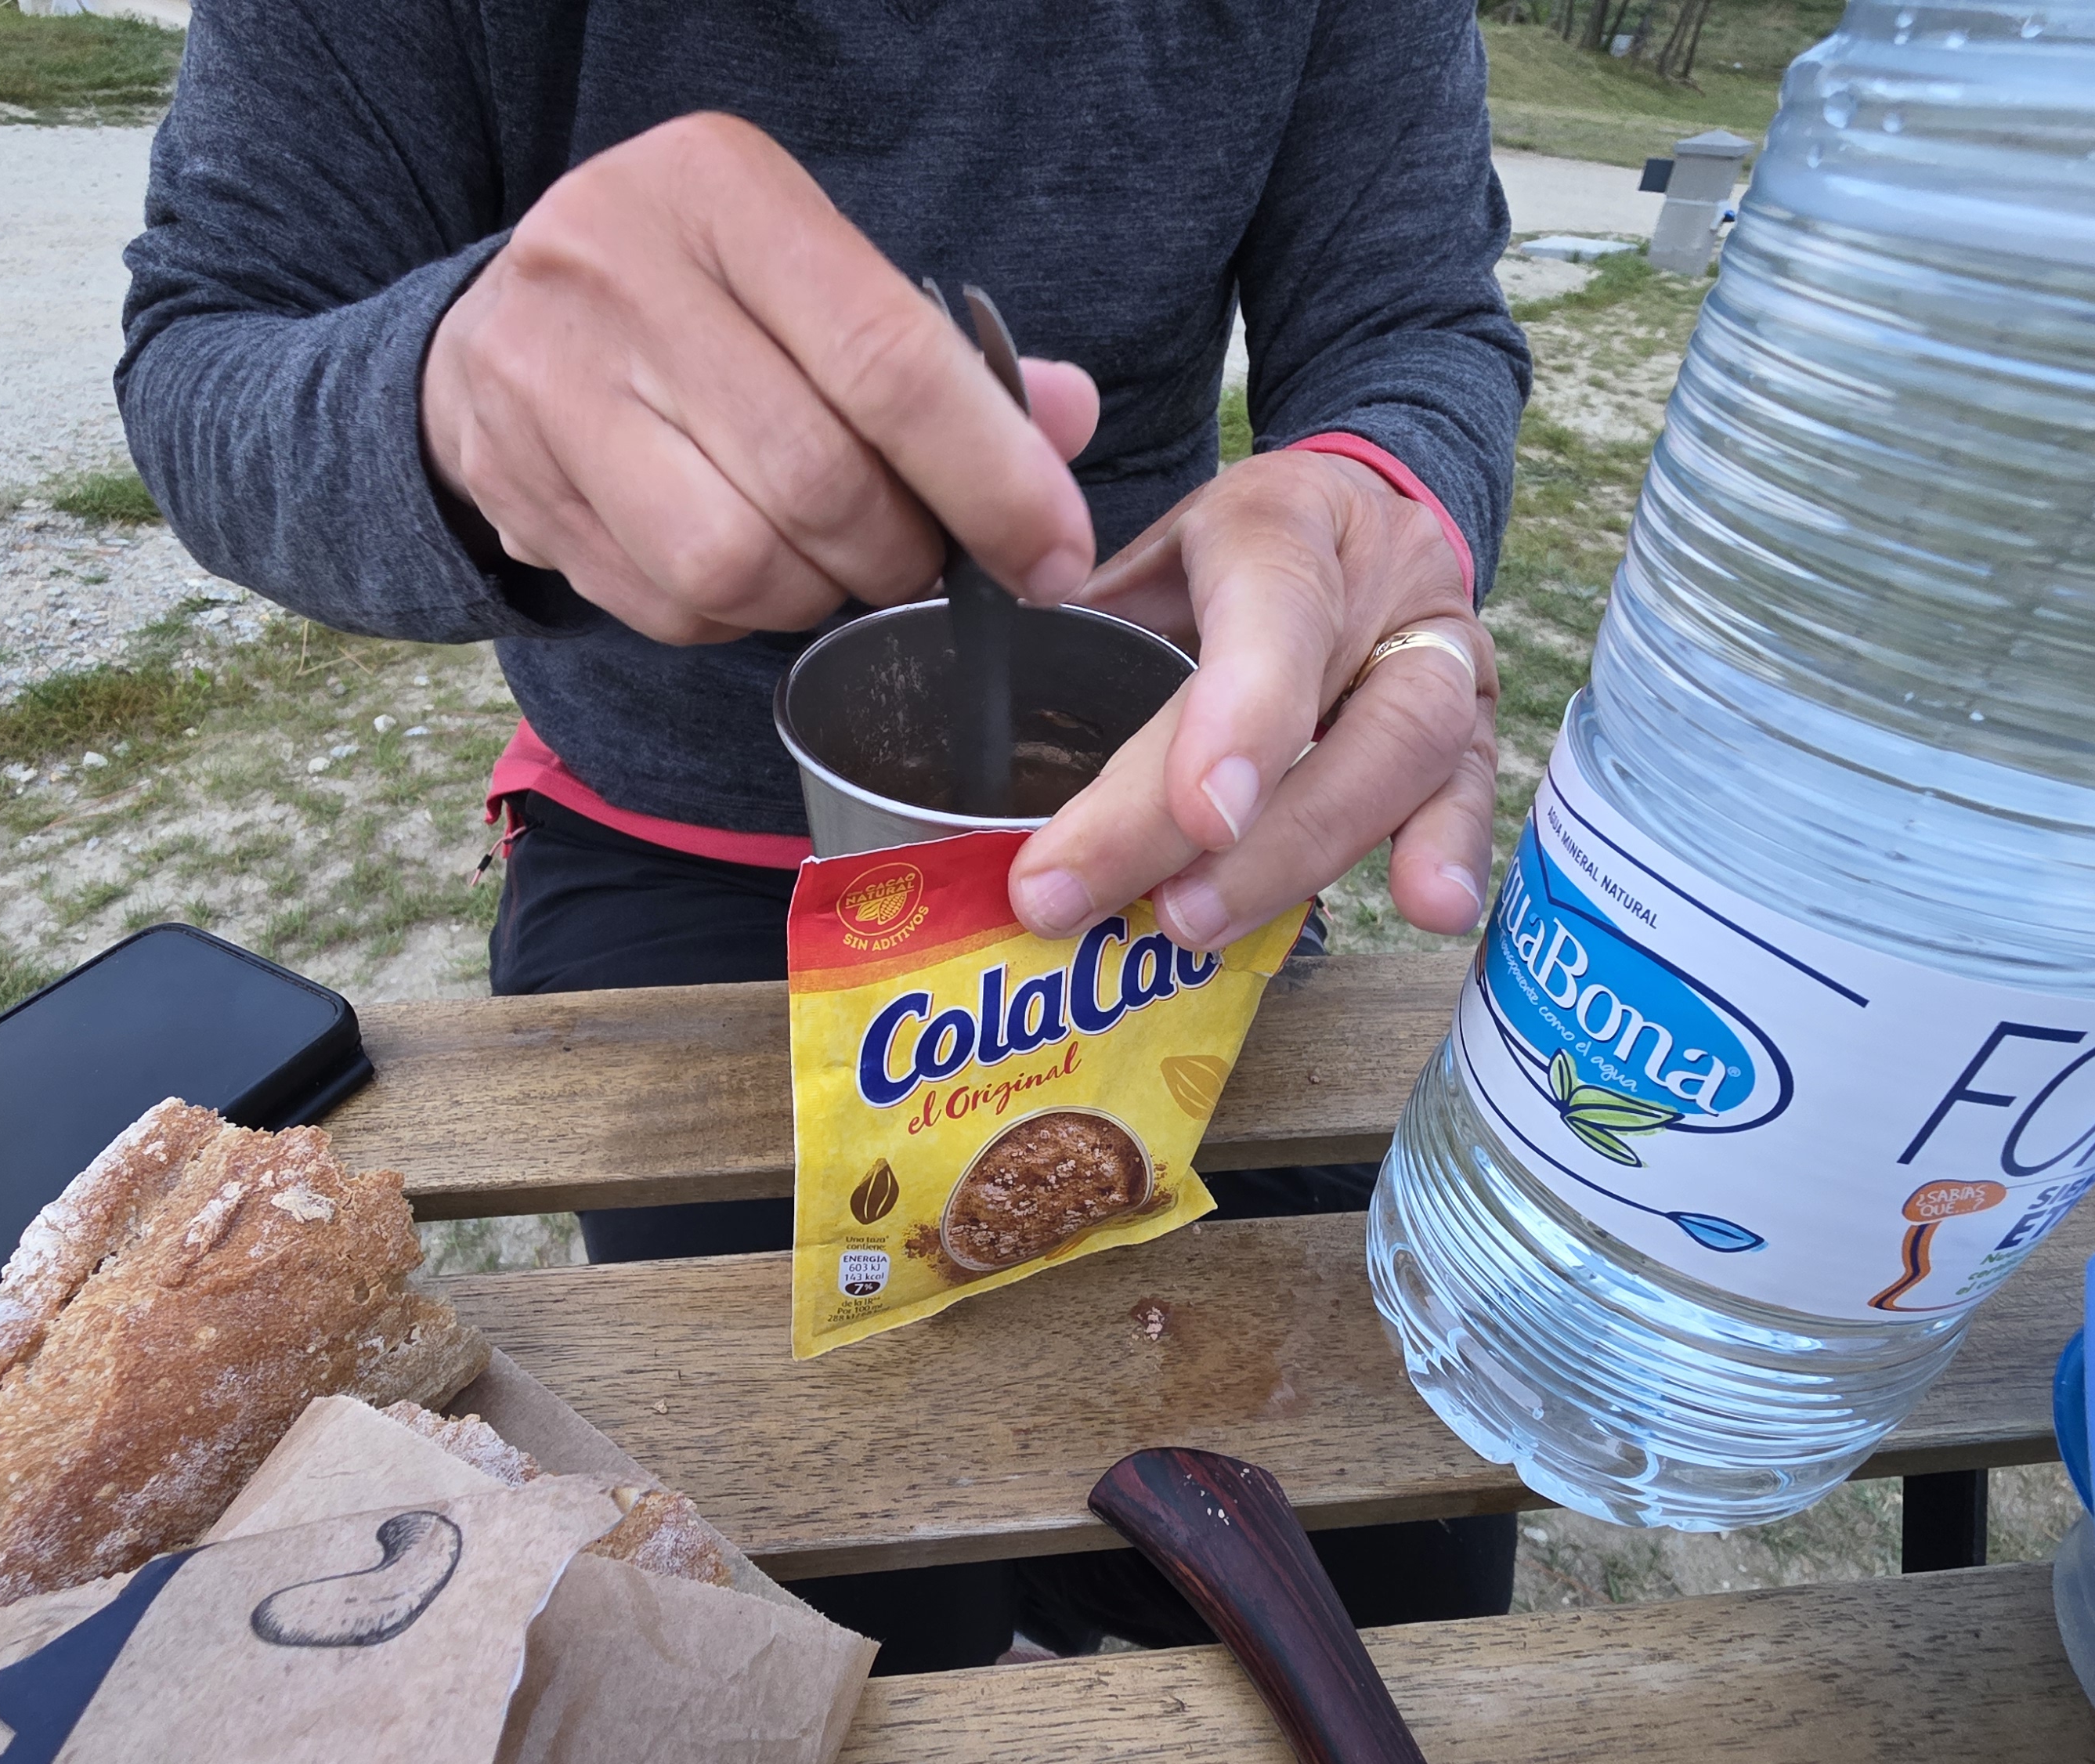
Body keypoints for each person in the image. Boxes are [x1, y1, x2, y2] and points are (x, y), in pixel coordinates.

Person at [118, 0, 1531, 1671]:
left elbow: (1409, 320)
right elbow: (208, 360)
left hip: (1172, 834)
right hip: (665, 850)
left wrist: (1379, 497)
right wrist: (455, 400)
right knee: (827, 1581)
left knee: (1402, 1562)